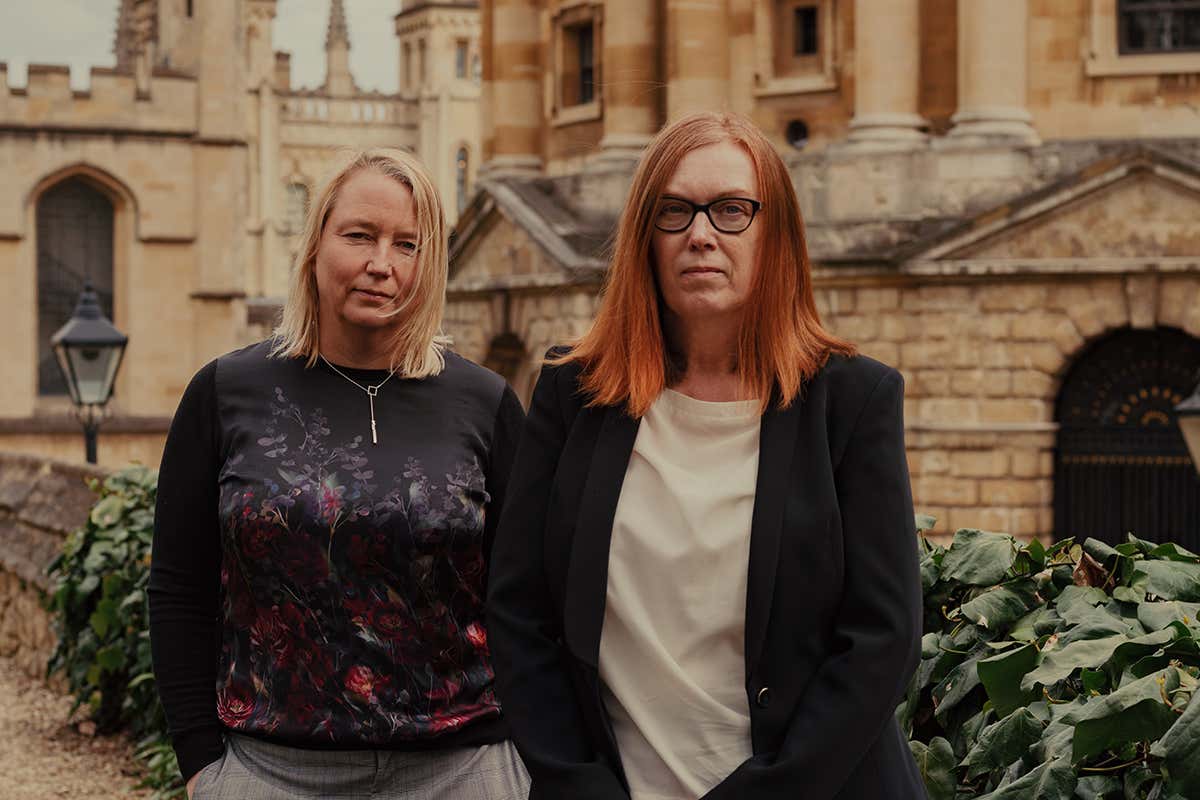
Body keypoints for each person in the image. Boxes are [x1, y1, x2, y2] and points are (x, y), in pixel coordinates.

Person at [486, 112, 925, 800]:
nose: (700, 235)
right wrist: (579, 786)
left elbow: (881, 639)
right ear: (645, 238)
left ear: (774, 234)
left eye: (730, 211)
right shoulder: (574, 393)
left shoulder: (853, 400)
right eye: (675, 212)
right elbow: (521, 616)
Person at [149, 148, 528, 800]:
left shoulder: (484, 404)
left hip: (460, 771)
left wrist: (525, 761)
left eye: (407, 244)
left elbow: (529, 598)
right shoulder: (226, 393)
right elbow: (180, 588)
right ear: (316, 241)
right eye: (359, 236)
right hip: (272, 772)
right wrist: (202, 765)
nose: (382, 263)